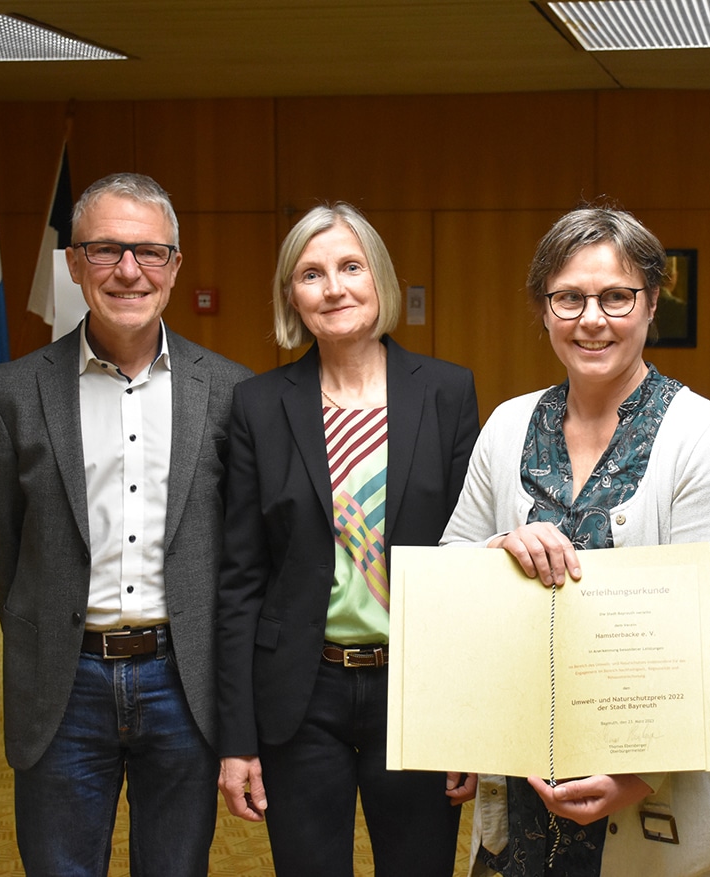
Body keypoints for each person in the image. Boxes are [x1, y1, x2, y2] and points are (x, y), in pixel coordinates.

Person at [442, 206, 710, 877]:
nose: (593, 318)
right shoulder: (506, 427)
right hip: (525, 776)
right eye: (569, 298)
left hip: (657, 785)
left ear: (652, 301)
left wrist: (633, 775)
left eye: (617, 296)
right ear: (544, 308)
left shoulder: (700, 434)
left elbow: (706, 628)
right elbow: (449, 584)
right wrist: (501, 547)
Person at [0, 172, 252, 875]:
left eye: (149, 252)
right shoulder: (12, 393)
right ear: (74, 263)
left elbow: (242, 553)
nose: (129, 270)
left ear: (175, 265)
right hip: (62, 689)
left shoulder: (230, 392)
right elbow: (6, 552)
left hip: (183, 686)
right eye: (105, 250)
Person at [215, 203, 479, 876]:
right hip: (302, 695)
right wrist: (237, 740)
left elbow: (467, 567)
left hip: (416, 691)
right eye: (312, 273)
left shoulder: (446, 392)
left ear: (380, 279)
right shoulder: (257, 406)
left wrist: (467, 721)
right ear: (291, 296)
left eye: (350, 266)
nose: (334, 287)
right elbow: (241, 578)